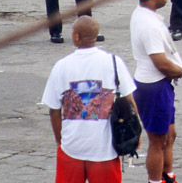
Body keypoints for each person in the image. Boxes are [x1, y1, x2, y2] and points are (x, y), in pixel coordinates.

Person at [43, 16, 137, 183]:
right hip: (104, 149)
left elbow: (54, 110)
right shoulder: (114, 62)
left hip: (72, 147)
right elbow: (129, 101)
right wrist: (136, 132)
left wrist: (60, 140)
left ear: (77, 36)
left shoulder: (61, 66)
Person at [130, 0, 182, 183]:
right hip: (154, 87)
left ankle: (167, 175)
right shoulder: (149, 26)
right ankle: (155, 180)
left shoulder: (144, 15)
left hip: (158, 85)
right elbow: (160, 63)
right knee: (157, 140)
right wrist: (180, 72)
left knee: (169, 135)